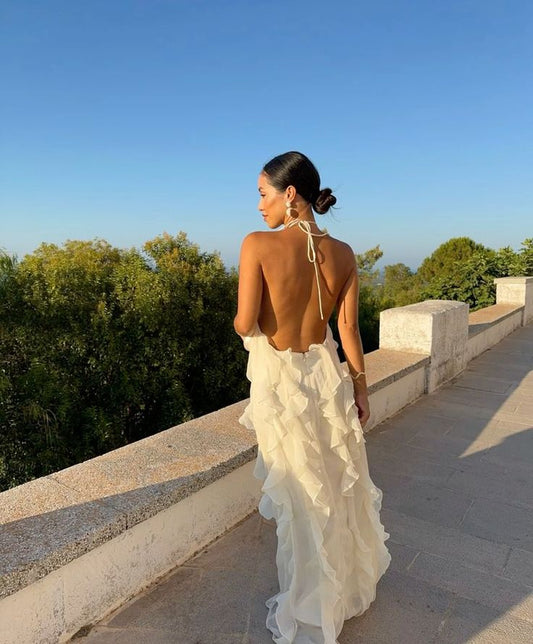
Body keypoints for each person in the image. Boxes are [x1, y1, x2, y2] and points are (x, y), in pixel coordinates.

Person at [234, 151, 390, 644]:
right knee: (334, 488)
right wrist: (361, 391)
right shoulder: (344, 253)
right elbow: (348, 330)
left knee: (301, 496)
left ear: (290, 194)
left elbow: (244, 323)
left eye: (263, 194)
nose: (259, 205)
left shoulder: (257, 244)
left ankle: (309, 603)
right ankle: (338, 592)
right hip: (327, 381)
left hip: (283, 386)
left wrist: (254, 315)